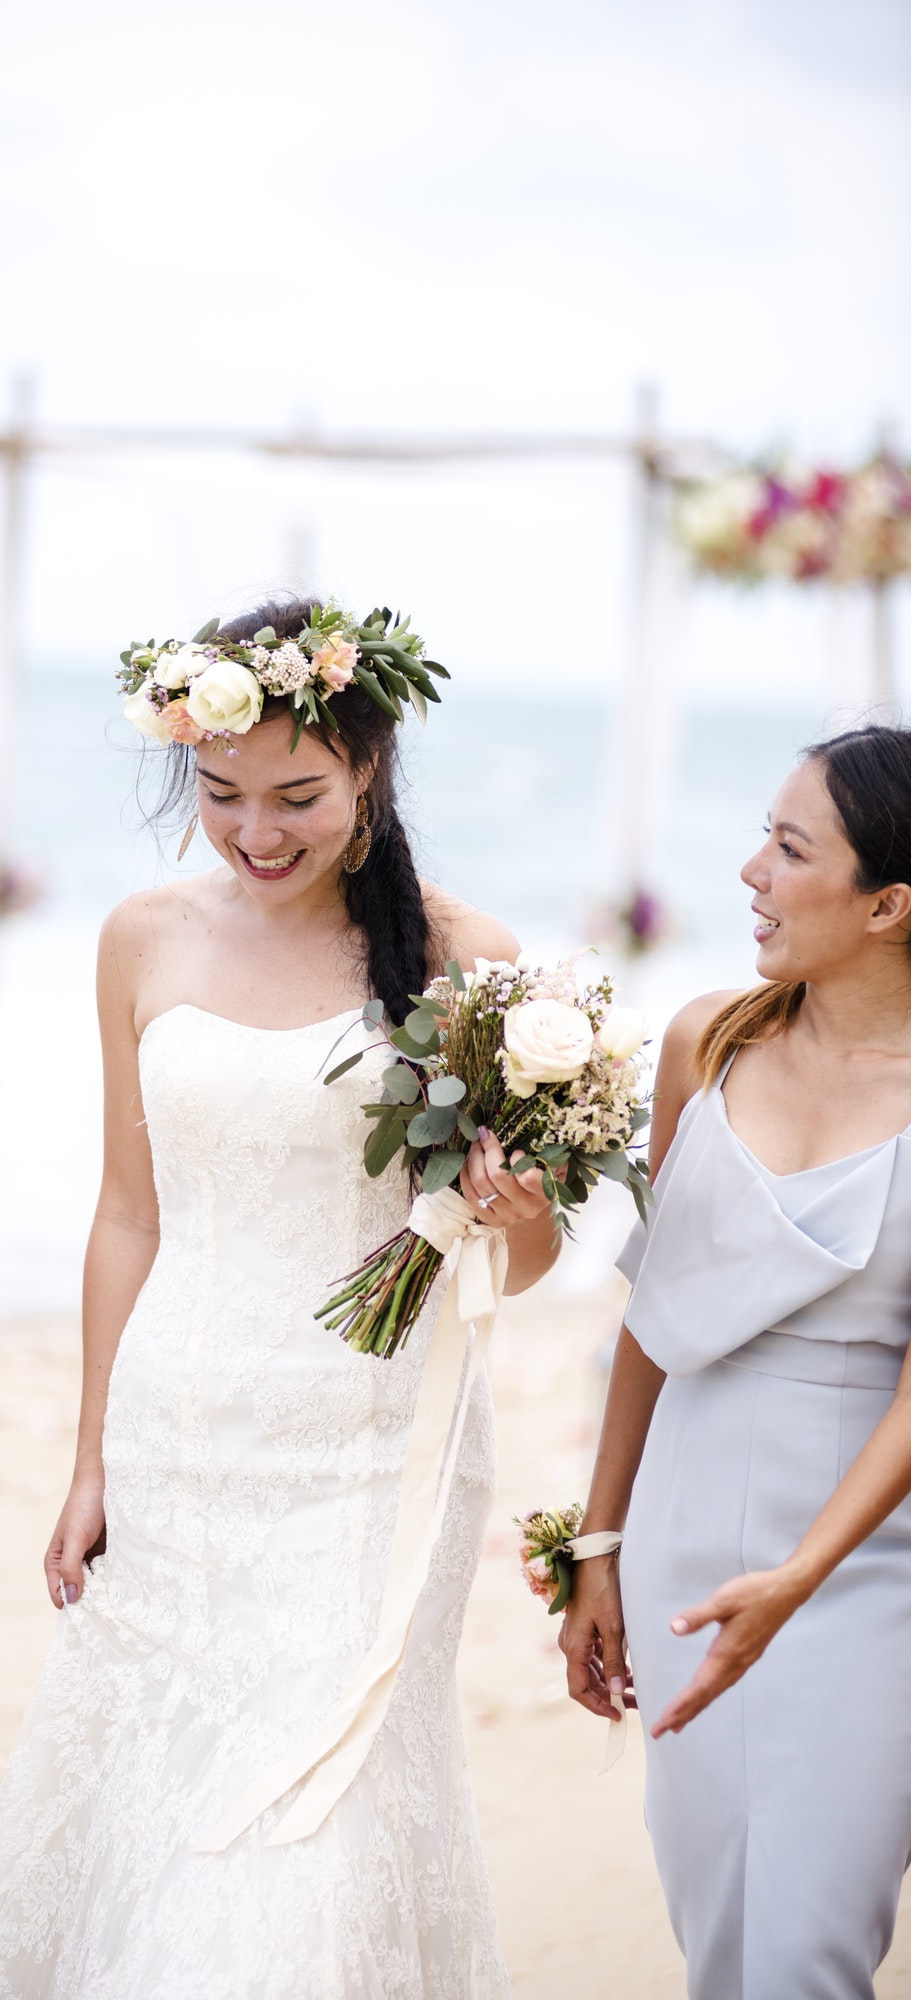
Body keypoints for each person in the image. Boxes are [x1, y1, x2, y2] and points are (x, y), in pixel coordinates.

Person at [0, 599, 560, 2000]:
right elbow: (126, 1211)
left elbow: (522, 1267)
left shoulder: (466, 958)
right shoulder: (140, 936)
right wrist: (89, 1453)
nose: (256, 831)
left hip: (371, 1453)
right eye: (221, 795)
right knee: (160, 1798)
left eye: (298, 797)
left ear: (369, 778)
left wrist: (513, 1223)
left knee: (314, 1820)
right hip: (180, 1437)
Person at [561, 725, 911, 2000]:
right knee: (720, 1934)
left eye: (791, 845)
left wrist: (802, 1576)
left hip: (864, 1554)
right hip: (681, 1534)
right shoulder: (704, 1042)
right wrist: (596, 1548)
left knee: (809, 1944)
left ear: (890, 904)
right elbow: (651, 1321)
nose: (751, 869)